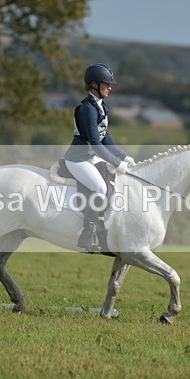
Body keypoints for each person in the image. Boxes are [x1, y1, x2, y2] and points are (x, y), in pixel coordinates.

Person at [64, 63, 134, 251]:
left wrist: (123, 157)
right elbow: (95, 142)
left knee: (113, 181)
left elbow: (105, 136)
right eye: (106, 84)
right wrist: (116, 162)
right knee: (100, 188)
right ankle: (86, 235)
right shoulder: (88, 108)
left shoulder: (100, 106)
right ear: (94, 84)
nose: (110, 88)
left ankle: (103, 227)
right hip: (78, 158)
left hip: (91, 156)